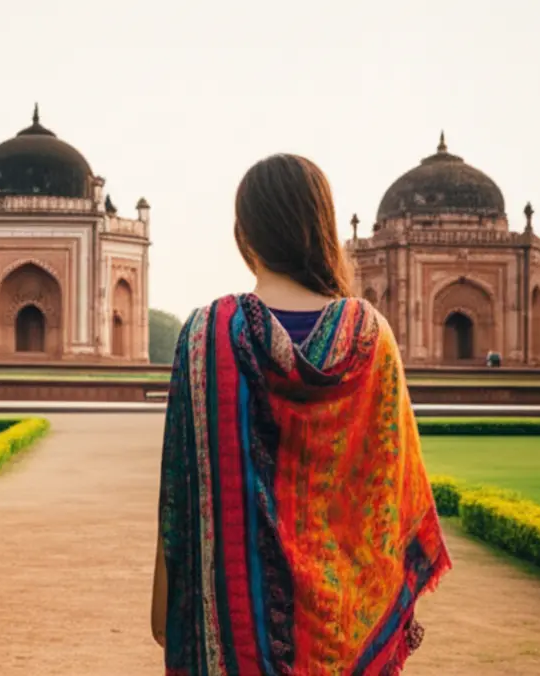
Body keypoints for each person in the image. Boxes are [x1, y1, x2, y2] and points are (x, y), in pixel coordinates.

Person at [151, 154, 451, 675]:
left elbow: (184, 485)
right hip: (345, 631)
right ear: (323, 227)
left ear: (245, 233)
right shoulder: (370, 337)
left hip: (231, 627)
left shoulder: (207, 334)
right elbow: (391, 489)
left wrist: (167, 601)